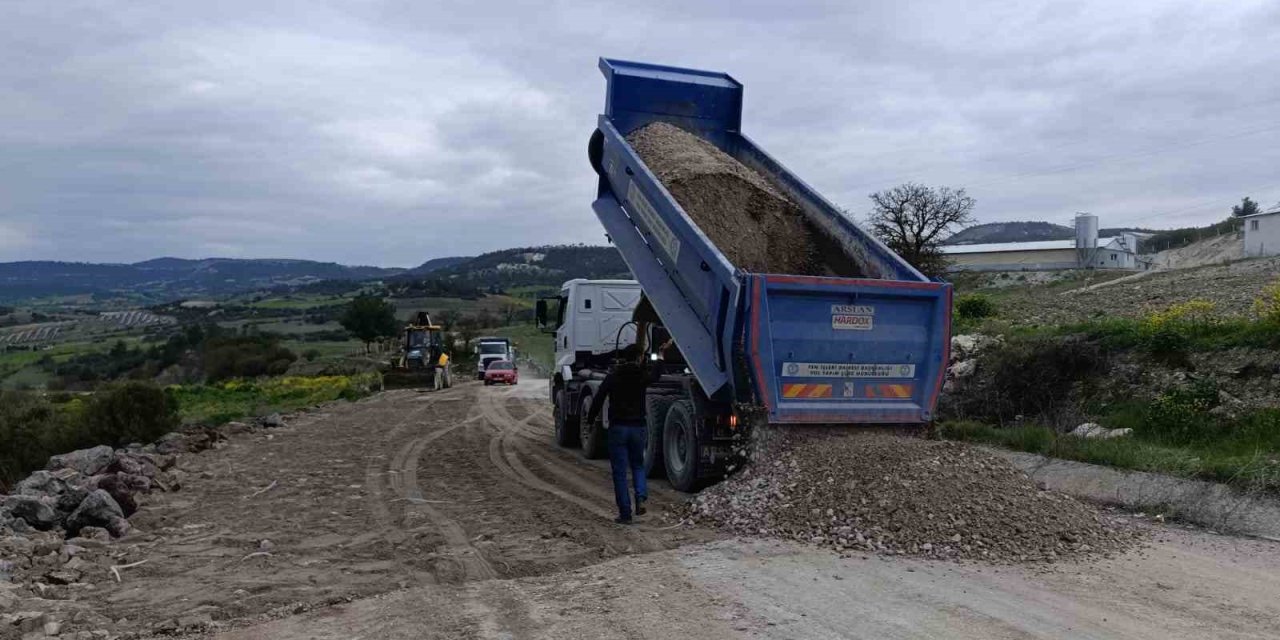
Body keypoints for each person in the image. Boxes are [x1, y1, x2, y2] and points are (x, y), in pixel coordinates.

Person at [586, 360, 651, 524]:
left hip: (618, 428)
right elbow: (656, 375)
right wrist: (660, 359)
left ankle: (625, 514)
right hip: (638, 427)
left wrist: (590, 419)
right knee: (638, 465)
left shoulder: (613, 377)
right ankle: (641, 496)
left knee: (620, 473)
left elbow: (599, 397)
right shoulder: (642, 376)